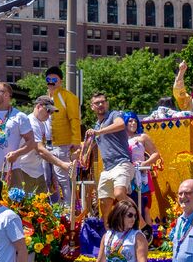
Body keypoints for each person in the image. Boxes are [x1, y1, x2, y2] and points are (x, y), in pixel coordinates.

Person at [85, 93, 134, 224]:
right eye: (97, 103)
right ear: (92, 107)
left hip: (122, 163)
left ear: (107, 103)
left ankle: (142, 226)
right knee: (104, 204)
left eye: (103, 102)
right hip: (107, 169)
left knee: (119, 194)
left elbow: (120, 124)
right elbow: (90, 147)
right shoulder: (96, 126)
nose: (100, 105)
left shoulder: (114, 115)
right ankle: (108, 234)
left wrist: (99, 132)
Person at [18, 96, 73, 196]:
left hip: (37, 171)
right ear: (39, 106)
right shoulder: (30, 122)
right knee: (26, 208)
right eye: (48, 111)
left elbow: (44, 148)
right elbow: (40, 150)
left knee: (42, 207)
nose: (49, 115)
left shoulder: (41, 124)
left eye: (51, 112)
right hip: (25, 171)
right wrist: (62, 164)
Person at [44, 67, 81, 206]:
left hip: (62, 144)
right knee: (48, 178)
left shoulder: (68, 96)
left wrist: (75, 141)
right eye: (49, 79)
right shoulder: (45, 98)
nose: (51, 82)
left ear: (61, 81)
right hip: (46, 145)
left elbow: (74, 119)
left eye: (55, 79)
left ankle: (68, 208)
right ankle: (54, 208)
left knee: (63, 178)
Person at [126, 114, 160, 229]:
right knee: (128, 205)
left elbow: (156, 153)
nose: (133, 123)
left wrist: (145, 163)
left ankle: (147, 235)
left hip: (142, 173)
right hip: (127, 174)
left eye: (135, 121)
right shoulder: (120, 139)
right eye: (130, 121)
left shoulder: (143, 137)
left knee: (145, 205)